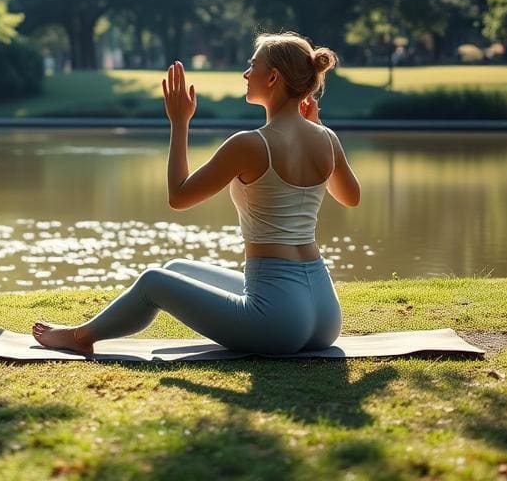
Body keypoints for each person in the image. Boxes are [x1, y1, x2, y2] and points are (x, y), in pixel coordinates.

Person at [32, 32, 361, 356]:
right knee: (176, 268)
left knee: (152, 282)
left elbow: (179, 197)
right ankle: (83, 332)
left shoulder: (250, 144)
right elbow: (350, 197)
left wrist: (179, 123)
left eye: (253, 65)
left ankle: (79, 336)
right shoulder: (327, 138)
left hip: (277, 323)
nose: (246, 74)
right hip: (325, 315)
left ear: (273, 77)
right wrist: (315, 129)